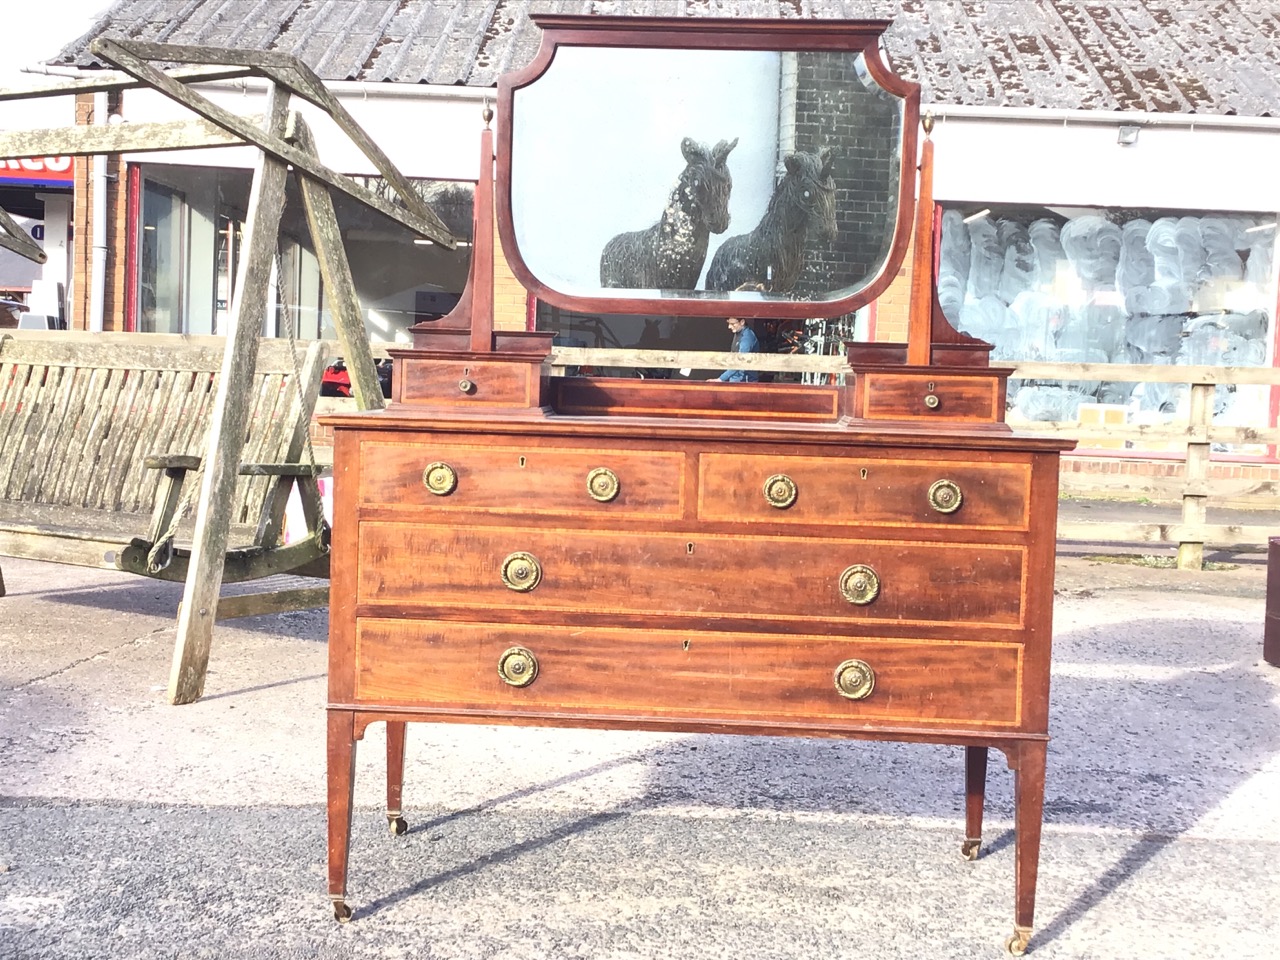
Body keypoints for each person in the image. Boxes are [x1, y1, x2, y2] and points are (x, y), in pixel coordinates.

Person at [717, 315, 759, 382]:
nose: (729, 327)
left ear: (742, 322)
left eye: (733, 324)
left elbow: (740, 360)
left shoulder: (747, 338)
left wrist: (721, 378)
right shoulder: (738, 333)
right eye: (728, 323)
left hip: (745, 381)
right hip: (736, 378)